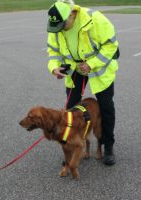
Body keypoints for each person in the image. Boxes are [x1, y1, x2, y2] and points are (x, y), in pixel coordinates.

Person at [46, 0, 119, 165]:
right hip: (74, 69)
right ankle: (72, 147)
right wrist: (54, 67)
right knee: (71, 108)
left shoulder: (95, 19)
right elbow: (53, 51)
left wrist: (91, 64)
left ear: (71, 15)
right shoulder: (56, 24)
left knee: (106, 107)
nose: (60, 30)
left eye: (63, 26)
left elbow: (111, 45)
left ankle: (108, 145)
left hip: (100, 68)